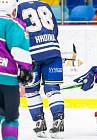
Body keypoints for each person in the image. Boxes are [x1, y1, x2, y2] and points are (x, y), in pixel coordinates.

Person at [16, 0, 64, 138]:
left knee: (31, 91)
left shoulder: (17, 7)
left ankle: (39, 123)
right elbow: (55, 29)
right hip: (53, 51)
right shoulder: (45, 5)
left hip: (31, 54)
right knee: (53, 89)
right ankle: (58, 121)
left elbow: (17, 32)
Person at [0, 0, 33, 140]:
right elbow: (19, 51)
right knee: (11, 117)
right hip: (7, 79)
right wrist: (26, 71)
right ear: (13, 9)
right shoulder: (14, 24)